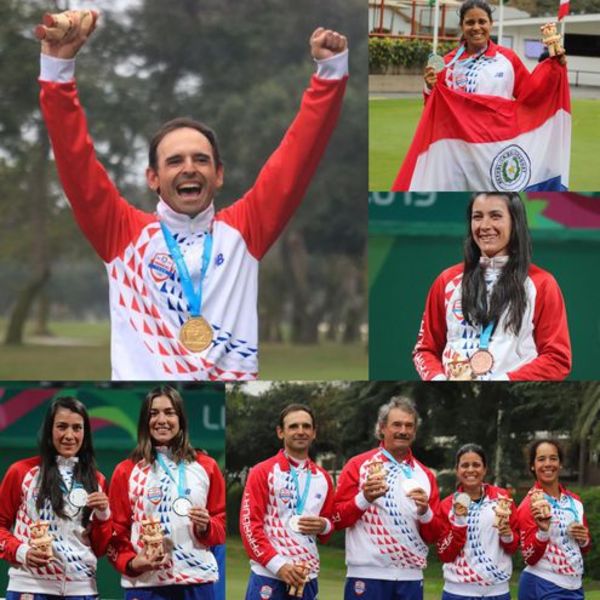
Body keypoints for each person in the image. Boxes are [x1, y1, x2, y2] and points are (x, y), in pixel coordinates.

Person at [36, 9, 348, 380]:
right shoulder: (122, 234)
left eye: (201, 159)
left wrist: (329, 74)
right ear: (153, 178)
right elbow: (75, 161)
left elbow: (298, 158)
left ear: (218, 175)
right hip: (148, 405)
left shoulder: (245, 231)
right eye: (175, 161)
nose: (189, 168)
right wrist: (58, 70)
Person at [413, 192, 571, 381]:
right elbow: (424, 350)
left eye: (495, 216)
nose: (485, 226)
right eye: (477, 217)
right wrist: (438, 379)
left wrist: (505, 379)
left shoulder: (542, 284)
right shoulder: (447, 281)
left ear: (515, 223)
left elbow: (558, 360)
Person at [107, 385, 225, 599]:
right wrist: (132, 563)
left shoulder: (206, 466)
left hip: (197, 579)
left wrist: (207, 526)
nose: (162, 420)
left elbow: (222, 522)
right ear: (145, 421)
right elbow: (115, 531)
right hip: (145, 583)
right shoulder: (126, 470)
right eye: (154, 413)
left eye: (169, 412)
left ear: (181, 419)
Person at [0, 397, 112, 599]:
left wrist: (104, 515)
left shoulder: (97, 480)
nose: (69, 435)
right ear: (49, 431)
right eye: (62, 427)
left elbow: (100, 548)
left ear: (85, 433)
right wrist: (21, 552)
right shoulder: (22, 472)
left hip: (83, 589)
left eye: (77, 428)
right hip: (30, 587)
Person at [333, 396, 441, 600]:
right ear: (382, 428)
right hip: (366, 576)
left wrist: (425, 512)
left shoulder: (425, 475)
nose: (403, 430)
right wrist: (363, 499)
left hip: (410, 578)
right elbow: (336, 518)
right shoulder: (359, 465)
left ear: (415, 432)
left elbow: (434, 535)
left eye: (409, 426)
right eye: (397, 424)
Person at [239, 404, 335, 600]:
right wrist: (278, 565)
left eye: (306, 426)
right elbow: (249, 526)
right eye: (293, 426)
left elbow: (329, 525)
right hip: (269, 576)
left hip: (306, 576)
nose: (301, 431)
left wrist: (324, 525)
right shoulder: (262, 471)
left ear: (314, 432)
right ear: (280, 432)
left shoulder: (323, 478)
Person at [423, 0, 566, 100]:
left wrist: (554, 69)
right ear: (462, 26)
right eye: (470, 22)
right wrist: (429, 87)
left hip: (499, 141)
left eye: (482, 22)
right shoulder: (448, 64)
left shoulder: (508, 59)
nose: (476, 27)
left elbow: (532, 96)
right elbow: (435, 106)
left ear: (491, 24)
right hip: (460, 142)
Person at [436, 444, 519, 600]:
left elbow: (513, 547)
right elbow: (445, 554)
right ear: (457, 470)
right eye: (465, 465)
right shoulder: (447, 505)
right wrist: (459, 522)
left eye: (476, 465)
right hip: (458, 592)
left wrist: (507, 535)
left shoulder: (502, 499)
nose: (470, 470)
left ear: (485, 469)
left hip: (497, 592)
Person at [517, 439, 592, 600]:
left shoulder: (575, 502)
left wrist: (584, 539)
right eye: (541, 459)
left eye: (553, 458)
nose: (548, 464)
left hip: (575, 586)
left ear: (560, 464)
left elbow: (584, 548)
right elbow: (529, 557)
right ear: (532, 466)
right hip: (542, 584)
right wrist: (543, 532)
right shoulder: (529, 504)